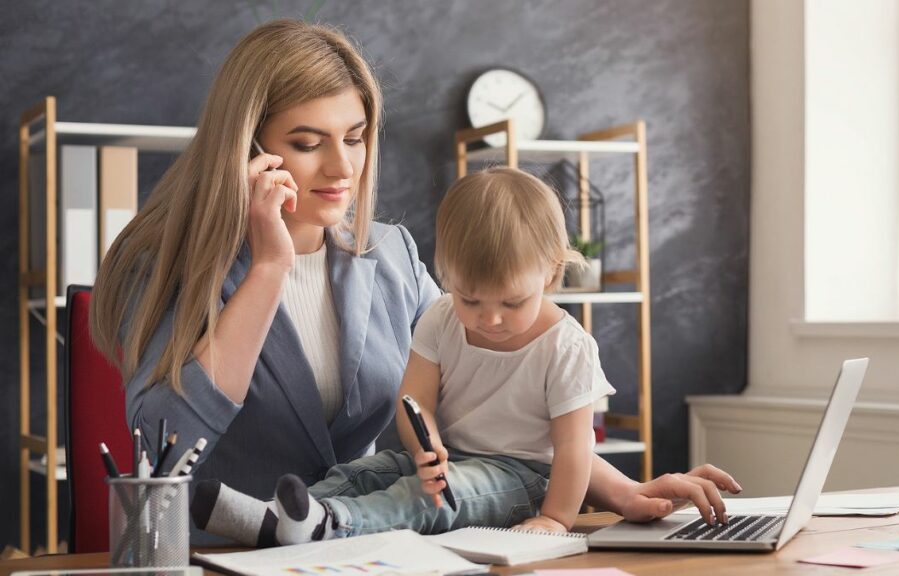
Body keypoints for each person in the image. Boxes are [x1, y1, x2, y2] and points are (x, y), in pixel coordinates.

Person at [89, 19, 741, 545]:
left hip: (368, 551)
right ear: (250, 150)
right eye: (308, 142)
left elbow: (491, 419)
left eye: (356, 136)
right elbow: (165, 449)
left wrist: (623, 492)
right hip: (220, 557)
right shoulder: (165, 263)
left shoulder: (392, 257)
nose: (341, 166)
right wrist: (268, 268)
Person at [192, 167, 615, 544]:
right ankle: (278, 515)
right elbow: (415, 404)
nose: (490, 319)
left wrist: (556, 519)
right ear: (446, 271)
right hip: (450, 459)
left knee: (422, 496)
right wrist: (424, 449)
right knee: (363, 472)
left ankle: (331, 523)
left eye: (511, 303)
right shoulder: (441, 318)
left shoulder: (566, 346)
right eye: (470, 299)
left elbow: (574, 448)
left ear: (552, 272)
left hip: (521, 478)